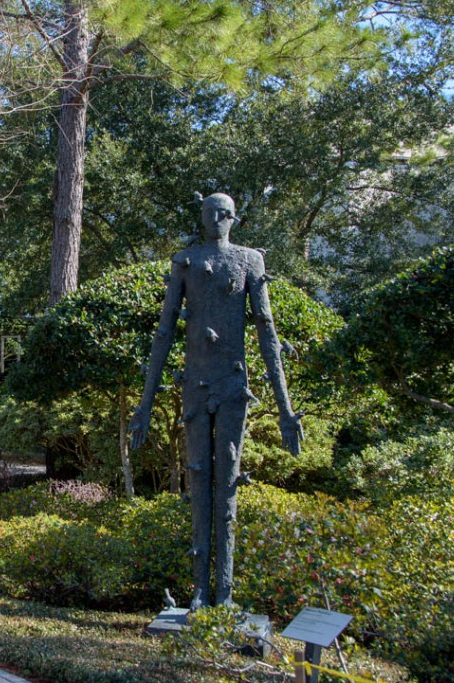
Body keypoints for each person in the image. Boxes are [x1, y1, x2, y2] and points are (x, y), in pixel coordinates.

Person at [129, 192, 303, 609]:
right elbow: (164, 333)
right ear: (203, 217)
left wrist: (286, 410)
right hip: (195, 386)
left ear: (233, 219)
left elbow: (267, 333)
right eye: (209, 213)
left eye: (223, 214)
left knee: (226, 487)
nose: (216, 219)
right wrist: (144, 406)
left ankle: (223, 593)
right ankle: (201, 591)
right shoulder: (185, 261)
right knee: (199, 481)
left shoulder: (249, 261)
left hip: (232, 385)